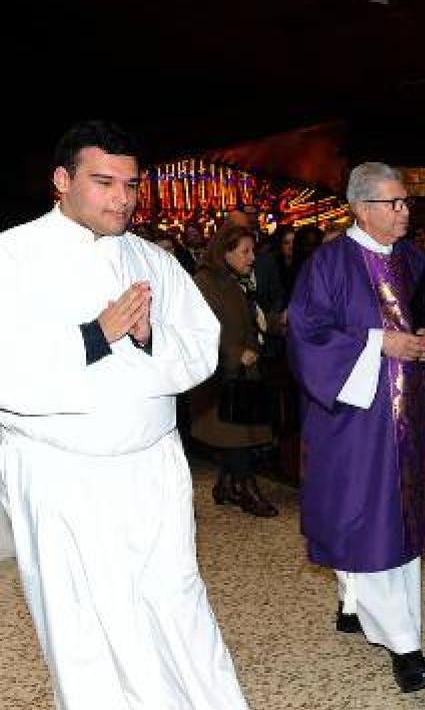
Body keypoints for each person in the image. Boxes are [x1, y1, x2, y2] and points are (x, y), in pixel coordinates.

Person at [0, 121, 247, 709]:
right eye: (103, 182)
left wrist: (150, 334)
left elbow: (201, 347)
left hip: (152, 468)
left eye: (131, 184)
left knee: (175, 602)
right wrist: (96, 334)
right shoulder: (13, 255)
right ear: (62, 181)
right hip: (62, 474)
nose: (121, 198)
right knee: (80, 618)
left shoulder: (151, 259)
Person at [286, 162, 425, 695]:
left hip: (408, 418)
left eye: (406, 202)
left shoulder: (412, 259)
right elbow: (306, 335)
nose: (405, 212)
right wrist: (376, 343)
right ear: (361, 208)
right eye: (394, 203)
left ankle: (353, 602)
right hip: (356, 419)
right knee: (367, 521)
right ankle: (405, 647)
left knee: (391, 521)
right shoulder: (329, 263)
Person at [189, 224, 278, 517]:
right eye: (245, 251)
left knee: (238, 433)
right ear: (224, 252)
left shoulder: (235, 280)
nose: (251, 257)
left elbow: (248, 320)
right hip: (222, 375)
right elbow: (203, 327)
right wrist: (235, 353)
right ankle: (246, 488)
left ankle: (226, 484)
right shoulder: (205, 281)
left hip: (241, 375)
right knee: (236, 436)